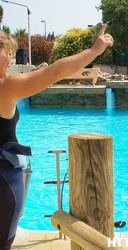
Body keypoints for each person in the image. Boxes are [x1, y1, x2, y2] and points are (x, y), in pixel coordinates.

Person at [0, 23, 114, 249]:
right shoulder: (6, 87)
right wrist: (94, 51)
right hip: (4, 183)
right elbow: (54, 72)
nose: (12, 59)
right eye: (9, 53)